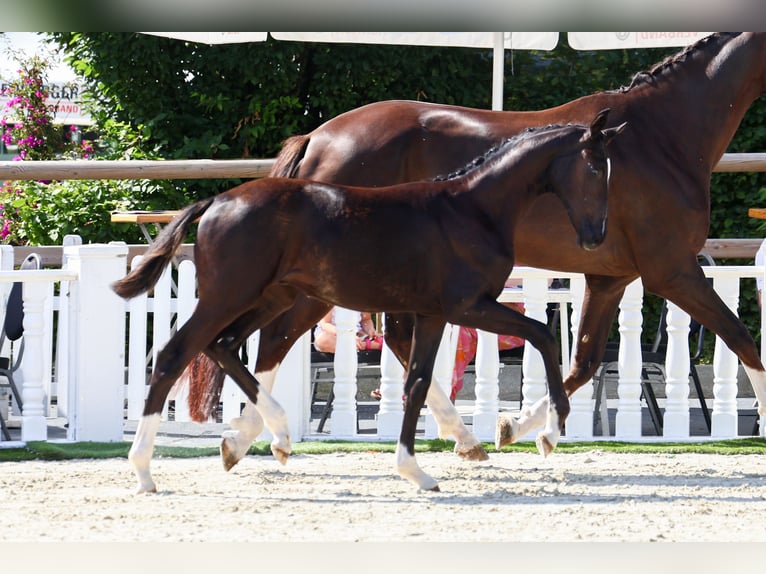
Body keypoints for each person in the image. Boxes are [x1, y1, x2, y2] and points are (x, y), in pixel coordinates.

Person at [450, 278, 527, 402]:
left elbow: (549, 280)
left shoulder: (528, 259)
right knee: (455, 328)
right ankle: (446, 393)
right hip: (479, 317)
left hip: (521, 325)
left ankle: (447, 395)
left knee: (458, 329)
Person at [313, 308, 383, 353]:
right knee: (323, 340)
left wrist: (370, 330)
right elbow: (325, 324)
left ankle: (361, 345)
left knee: (387, 339)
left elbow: (366, 320)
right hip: (334, 334)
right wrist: (347, 335)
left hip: (358, 335)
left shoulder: (362, 294)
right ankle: (367, 345)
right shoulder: (330, 294)